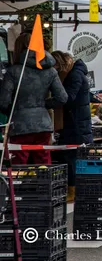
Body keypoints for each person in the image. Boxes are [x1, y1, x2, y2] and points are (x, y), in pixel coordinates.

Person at [0, 34, 68, 165]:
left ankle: (22, 186)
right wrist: (42, 105)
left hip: (20, 125)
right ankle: (42, 185)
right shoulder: (51, 71)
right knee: (43, 164)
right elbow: (62, 97)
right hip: (43, 125)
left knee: (19, 166)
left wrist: (15, 110)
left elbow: (3, 102)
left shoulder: (13, 71)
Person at [54, 51, 92, 202]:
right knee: (72, 157)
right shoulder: (76, 73)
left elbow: (69, 98)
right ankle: (73, 189)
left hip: (76, 123)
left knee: (72, 158)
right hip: (76, 122)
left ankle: (73, 190)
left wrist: (50, 102)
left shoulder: (75, 75)